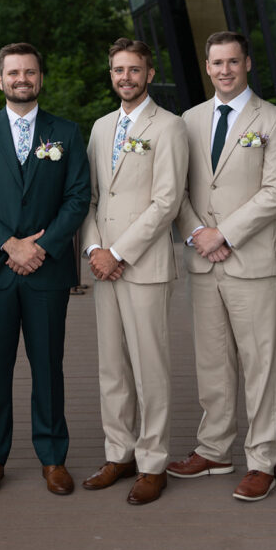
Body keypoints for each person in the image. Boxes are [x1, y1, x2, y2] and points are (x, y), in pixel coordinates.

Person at [0, 43, 90, 496]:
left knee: (48, 365)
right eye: (13, 72)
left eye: (29, 72)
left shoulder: (66, 132)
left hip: (47, 271)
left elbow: (77, 198)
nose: (21, 79)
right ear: (0, 79)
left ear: (40, 78)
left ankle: (53, 458)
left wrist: (43, 247)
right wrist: (9, 244)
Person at [168, 30, 276, 501]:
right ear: (207, 67)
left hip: (251, 260)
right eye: (216, 63)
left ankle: (261, 459)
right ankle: (215, 449)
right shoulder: (188, 120)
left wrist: (225, 233)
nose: (224, 70)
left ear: (247, 65)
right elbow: (175, 189)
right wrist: (198, 233)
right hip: (202, 260)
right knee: (212, 361)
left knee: (259, 363)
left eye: (232, 62)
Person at [81, 38, 188, 505]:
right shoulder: (102, 127)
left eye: (134, 70)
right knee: (111, 367)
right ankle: (118, 452)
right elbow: (88, 197)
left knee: (150, 368)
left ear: (149, 73)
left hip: (141, 264)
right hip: (101, 266)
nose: (125, 78)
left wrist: (119, 252)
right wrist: (93, 249)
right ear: (112, 74)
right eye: (118, 70)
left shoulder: (170, 127)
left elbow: (167, 201)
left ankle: (152, 461)